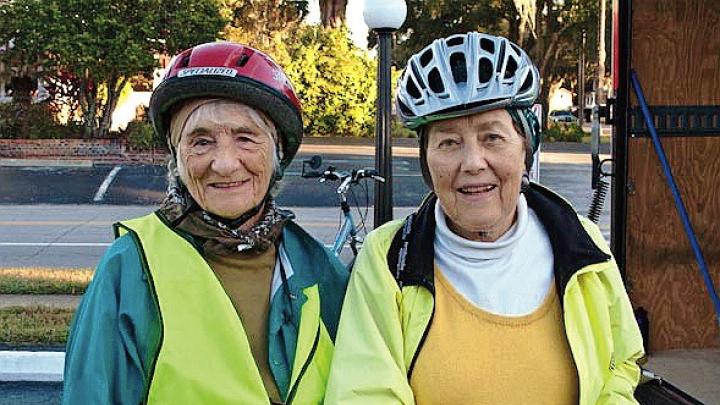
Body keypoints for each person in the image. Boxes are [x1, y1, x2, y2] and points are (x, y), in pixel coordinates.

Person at [325, 32, 644, 404]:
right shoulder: (389, 257)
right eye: (448, 142)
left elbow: (620, 366)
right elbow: (363, 393)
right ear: (426, 160)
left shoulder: (580, 243)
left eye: (492, 137)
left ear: (526, 147)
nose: (473, 163)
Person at [63, 42, 348, 405]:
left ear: (276, 150)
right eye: (200, 141)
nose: (225, 164)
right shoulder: (132, 267)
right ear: (177, 156)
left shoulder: (319, 268)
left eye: (245, 138)